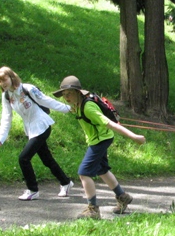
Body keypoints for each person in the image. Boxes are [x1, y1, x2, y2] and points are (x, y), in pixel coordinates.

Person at [53, 76, 145, 219]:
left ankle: (93, 209)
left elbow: (111, 124)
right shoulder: (77, 105)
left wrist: (134, 137)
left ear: (78, 92)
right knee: (102, 169)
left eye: (69, 93)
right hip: (99, 138)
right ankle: (122, 197)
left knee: (84, 172)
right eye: (64, 95)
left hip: (100, 140)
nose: (66, 97)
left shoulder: (88, 107)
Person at [0, 67, 75, 200]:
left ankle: (32, 190)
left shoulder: (27, 88)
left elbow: (46, 100)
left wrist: (68, 109)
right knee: (47, 159)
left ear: (12, 77)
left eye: (5, 79)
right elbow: (6, 117)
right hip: (31, 131)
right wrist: (1, 137)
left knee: (23, 158)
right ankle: (66, 182)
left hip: (42, 125)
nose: (2, 83)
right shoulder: (6, 96)